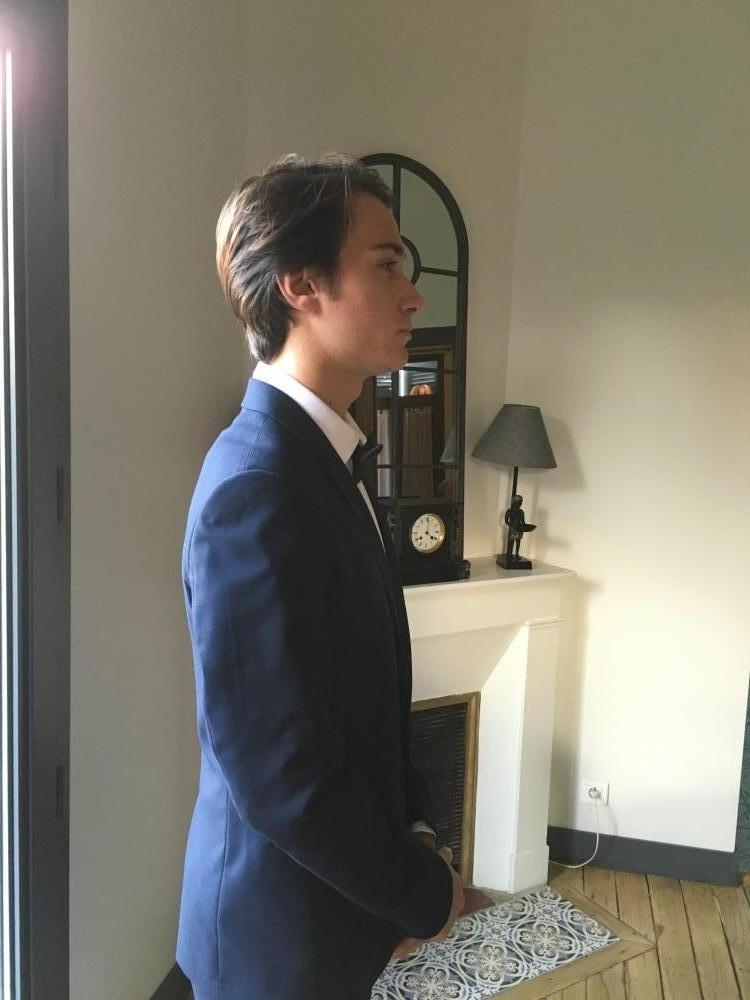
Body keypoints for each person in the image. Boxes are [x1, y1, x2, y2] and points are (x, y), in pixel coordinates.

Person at [176, 154, 481, 1000]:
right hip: (273, 947)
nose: (413, 297)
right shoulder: (256, 486)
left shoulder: (320, 457)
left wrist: (416, 827)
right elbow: (280, 772)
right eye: (386, 265)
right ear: (301, 284)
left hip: (326, 919)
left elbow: (356, 702)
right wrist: (423, 893)